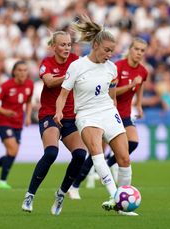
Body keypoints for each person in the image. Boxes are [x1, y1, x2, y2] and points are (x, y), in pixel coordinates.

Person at [54, 15, 137, 216]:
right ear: (96, 45)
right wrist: (58, 112)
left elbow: (112, 94)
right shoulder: (77, 66)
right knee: (97, 155)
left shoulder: (112, 68)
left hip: (108, 112)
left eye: (112, 51)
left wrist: (116, 113)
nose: (109, 54)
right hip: (86, 115)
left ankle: (121, 205)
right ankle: (116, 199)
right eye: (107, 50)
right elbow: (63, 94)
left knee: (124, 158)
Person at [68, 37, 148, 200]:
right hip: (104, 112)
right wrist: (130, 85)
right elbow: (110, 92)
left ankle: (108, 167)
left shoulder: (142, 71)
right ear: (130, 49)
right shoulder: (116, 66)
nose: (139, 53)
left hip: (124, 113)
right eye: (136, 49)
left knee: (132, 143)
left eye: (142, 50)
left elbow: (140, 86)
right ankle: (75, 184)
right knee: (98, 153)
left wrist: (139, 104)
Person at [21, 31, 87, 215]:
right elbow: (49, 82)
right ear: (54, 46)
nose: (67, 48)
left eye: (69, 44)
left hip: (71, 116)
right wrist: (70, 76)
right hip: (50, 114)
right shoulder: (47, 63)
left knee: (81, 155)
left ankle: (61, 193)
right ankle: (30, 195)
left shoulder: (76, 60)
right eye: (63, 44)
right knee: (51, 152)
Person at [0, 60, 34, 189]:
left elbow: (28, 102)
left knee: (12, 153)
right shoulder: (6, 86)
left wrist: (28, 116)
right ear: (14, 72)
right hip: (4, 122)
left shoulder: (29, 85)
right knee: (13, 150)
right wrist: (5, 111)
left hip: (18, 123)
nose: (23, 73)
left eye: (25, 70)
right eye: (20, 70)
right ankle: (2, 181)